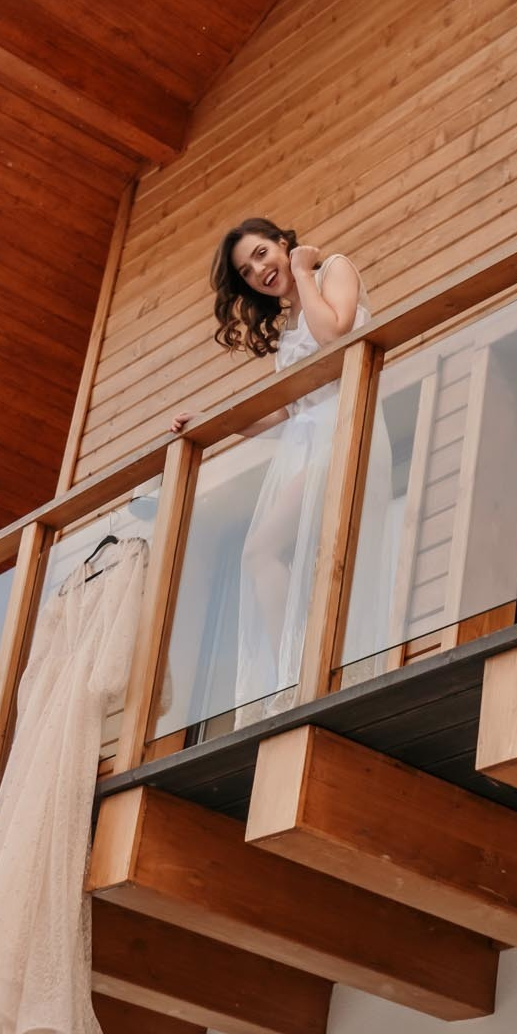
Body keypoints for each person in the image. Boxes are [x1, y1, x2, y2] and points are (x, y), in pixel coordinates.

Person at [171, 217, 389, 714]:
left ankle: (297, 672)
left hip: (342, 427)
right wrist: (213, 422)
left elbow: (335, 332)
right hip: (306, 441)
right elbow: (284, 411)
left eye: (262, 255)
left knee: (262, 550)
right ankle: (302, 668)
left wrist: (302, 270)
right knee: (285, 556)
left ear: (283, 244)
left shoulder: (333, 269)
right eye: (247, 272)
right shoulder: (291, 322)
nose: (258, 272)